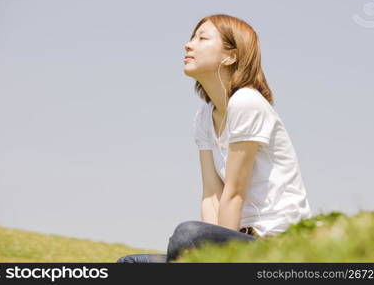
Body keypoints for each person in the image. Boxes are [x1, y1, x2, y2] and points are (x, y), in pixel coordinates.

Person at [116, 14, 312, 263]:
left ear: (231, 56)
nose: (188, 45)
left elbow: (234, 193)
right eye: (191, 38)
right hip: (236, 239)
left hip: (273, 245)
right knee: (129, 264)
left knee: (188, 234)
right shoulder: (204, 116)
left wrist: (218, 259)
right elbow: (212, 195)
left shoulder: (246, 102)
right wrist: (209, 248)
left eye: (202, 38)